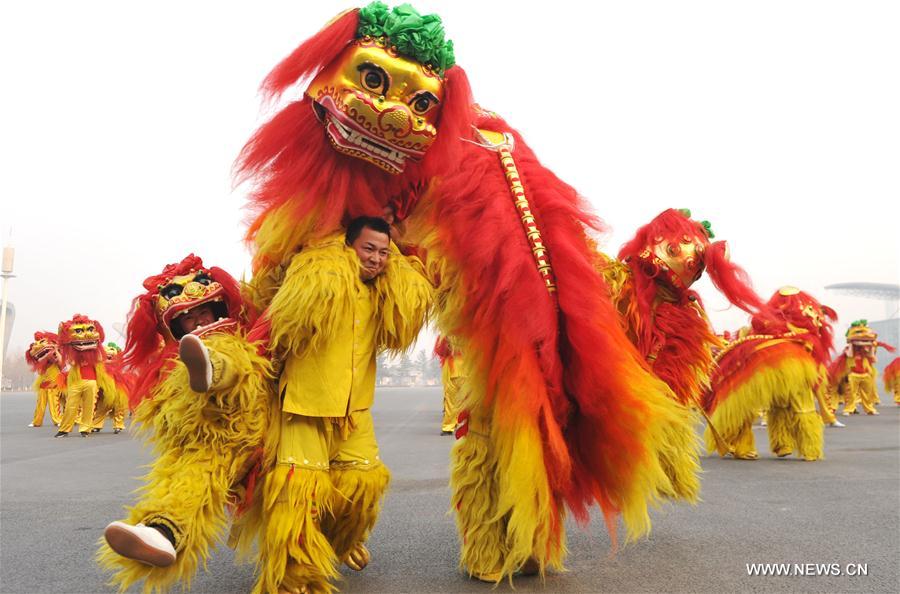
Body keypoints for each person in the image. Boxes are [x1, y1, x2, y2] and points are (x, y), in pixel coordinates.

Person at [99, 254, 271, 593]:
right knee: (185, 479)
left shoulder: (247, 334)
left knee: (315, 505)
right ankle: (160, 533)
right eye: (186, 319)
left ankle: (344, 540)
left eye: (203, 312)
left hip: (264, 431)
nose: (197, 324)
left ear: (220, 308)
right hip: (212, 444)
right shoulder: (174, 367)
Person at [54, 314, 127, 437]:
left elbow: (106, 361)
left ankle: (85, 429)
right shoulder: (72, 356)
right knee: (71, 406)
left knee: (89, 407)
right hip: (76, 382)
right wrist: (58, 348)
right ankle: (64, 429)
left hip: (91, 382)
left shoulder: (96, 355)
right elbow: (64, 358)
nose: (86, 335)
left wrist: (119, 360)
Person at [25, 332, 64, 428]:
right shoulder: (40, 354)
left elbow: (61, 363)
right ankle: (37, 421)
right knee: (40, 402)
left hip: (54, 378)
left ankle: (58, 420)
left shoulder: (55, 353)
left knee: (54, 401)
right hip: (43, 379)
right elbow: (35, 358)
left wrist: (55, 351)